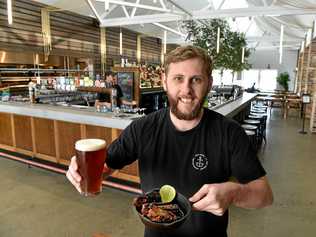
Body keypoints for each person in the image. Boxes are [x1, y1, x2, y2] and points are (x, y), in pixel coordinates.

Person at [67, 46, 273, 237]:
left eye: (196, 80)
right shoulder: (142, 129)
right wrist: (83, 174)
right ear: (165, 81)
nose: (186, 90)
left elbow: (264, 195)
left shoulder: (229, 133)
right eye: (178, 79)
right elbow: (104, 168)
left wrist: (235, 193)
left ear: (209, 84)